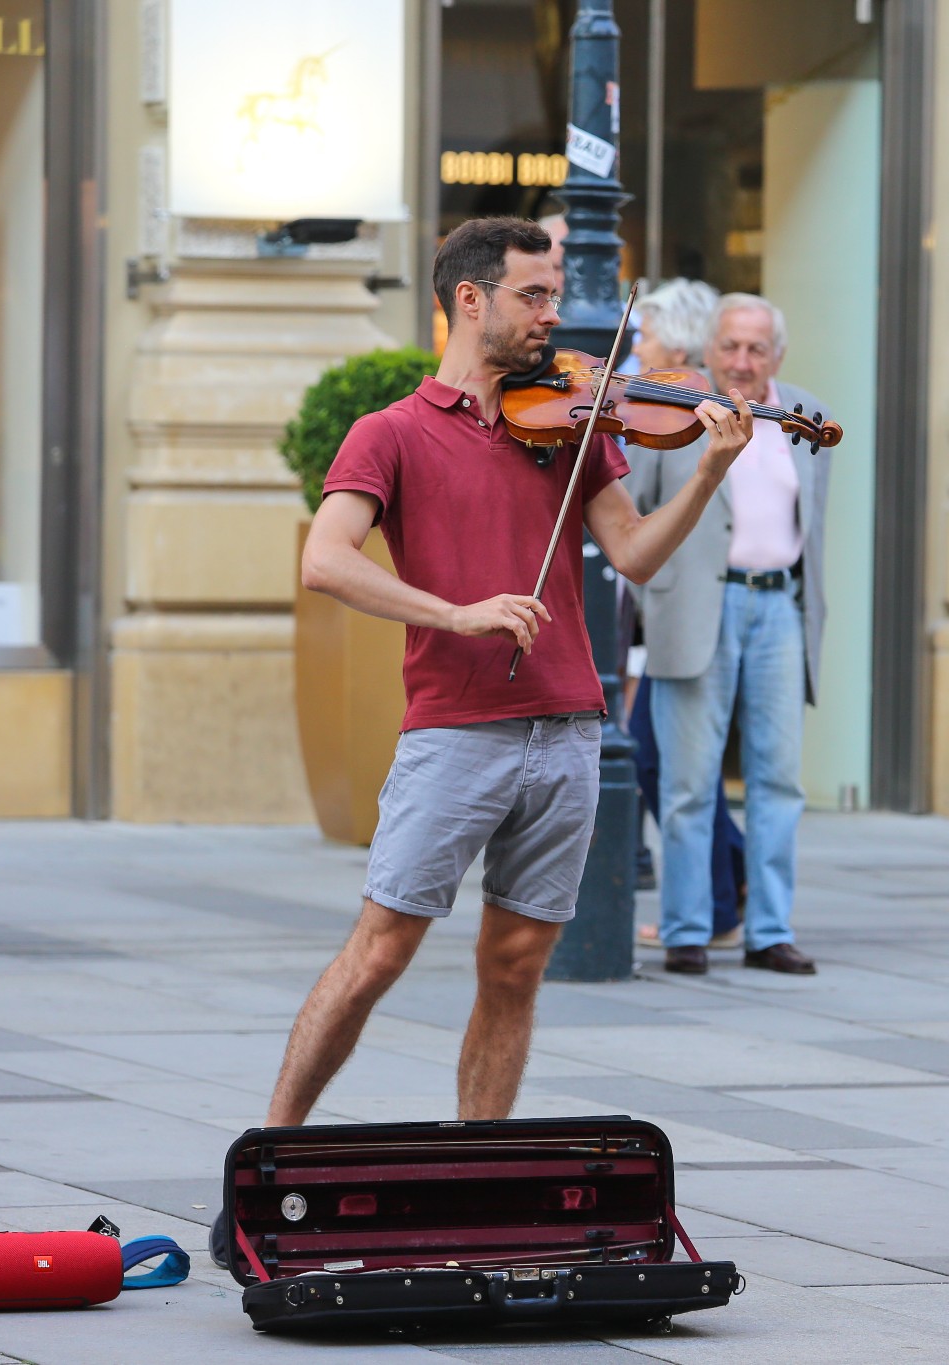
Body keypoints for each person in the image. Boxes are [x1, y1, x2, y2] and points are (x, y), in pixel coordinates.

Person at [257, 218, 753, 1133]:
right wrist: (456, 612)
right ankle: (268, 1149)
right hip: (455, 728)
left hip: (566, 726)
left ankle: (474, 1164)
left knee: (516, 964)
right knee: (379, 952)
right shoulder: (390, 433)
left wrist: (709, 472)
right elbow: (325, 560)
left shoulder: (569, 421)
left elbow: (635, 554)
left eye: (555, 295)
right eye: (534, 295)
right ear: (470, 300)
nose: (552, 315)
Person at [625, 293, 831, 977]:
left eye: (756, 348)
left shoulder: (804, 414)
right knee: (688, 781)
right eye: (730, 347)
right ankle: (687, 929)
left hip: (778, 607)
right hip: (695, 610)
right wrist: (648, 604)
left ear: (777, 355)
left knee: (778, 780)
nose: (742, 362)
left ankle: (769, 929)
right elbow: (633, 517)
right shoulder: (676, 410)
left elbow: (814, 527)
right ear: (709, 350)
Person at [621, 278, 746, 957]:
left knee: (665, 764)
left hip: (689, 607)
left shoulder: (676, 405)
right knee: (678, 767)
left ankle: (714, 900)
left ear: (674, 341)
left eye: (644, 335)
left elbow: (631, 495)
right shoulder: (664, 401)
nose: (636, 348)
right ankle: (723, 893)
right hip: (676, 607)